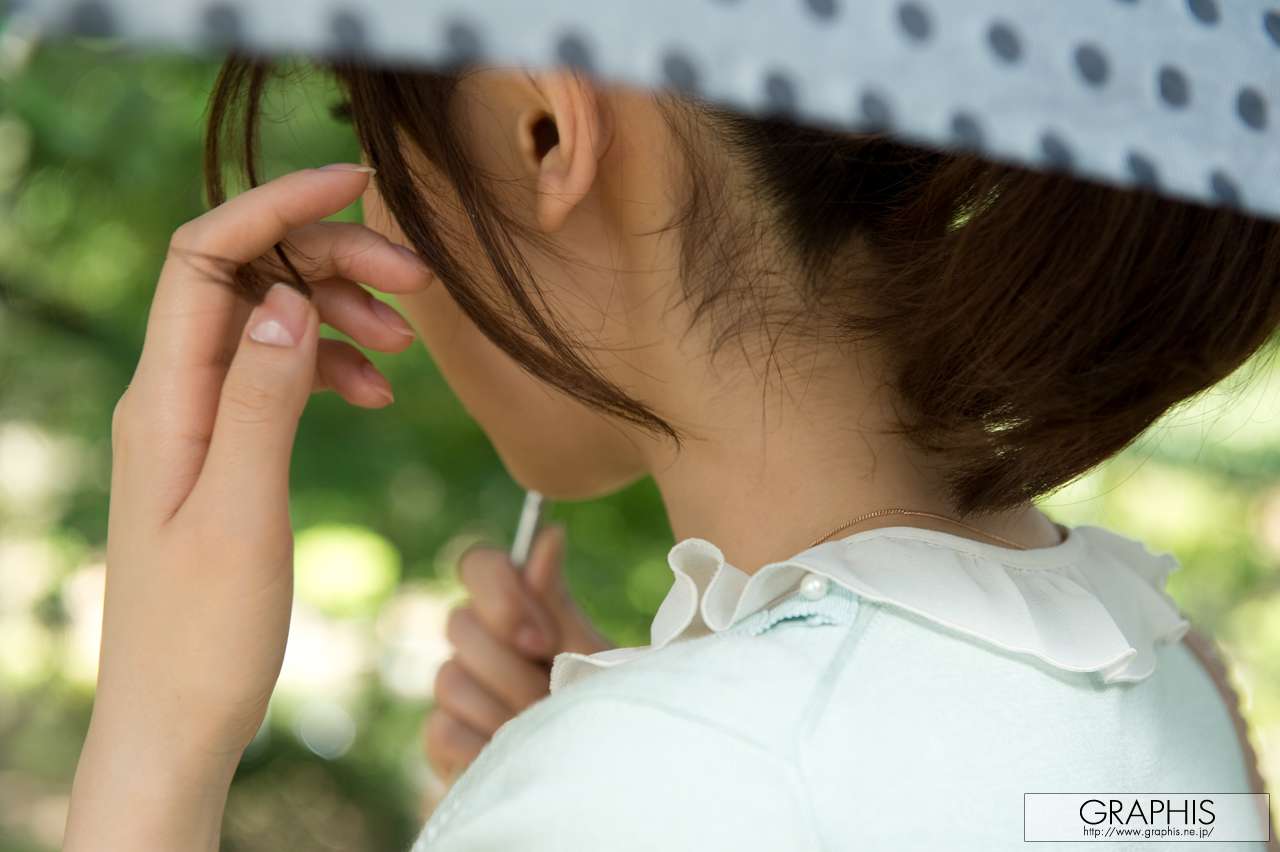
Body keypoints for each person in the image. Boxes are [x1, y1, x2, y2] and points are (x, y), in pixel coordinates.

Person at [62, 55, 1279, 851]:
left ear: (543, 126)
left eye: (366, 127)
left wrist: (158, 740)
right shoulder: (1166, 681)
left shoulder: (659, 783)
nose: (371, 208)